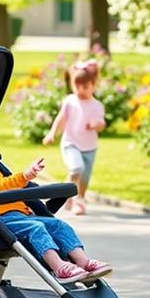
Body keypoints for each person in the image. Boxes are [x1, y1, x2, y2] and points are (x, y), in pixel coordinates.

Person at [0, 119, 112, 284]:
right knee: (36, 228)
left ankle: (83, 261)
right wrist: (23, 177)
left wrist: (29, 208)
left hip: (21, 216)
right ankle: (59, 267)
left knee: (58, 225)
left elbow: (10, 193)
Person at [42, 59, 106, 215]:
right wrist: (52, 134)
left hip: (90, 146)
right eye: (77, 86)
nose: (80, 90)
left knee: (84, 176)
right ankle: (68, 195)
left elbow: (102, 124)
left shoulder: (97, 105)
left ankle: (80, 199)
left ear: (93, 86)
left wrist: (96, 124)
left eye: (85, 87)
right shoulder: (70, 101)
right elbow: (61, 119)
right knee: (76, 168)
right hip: (71, 143)